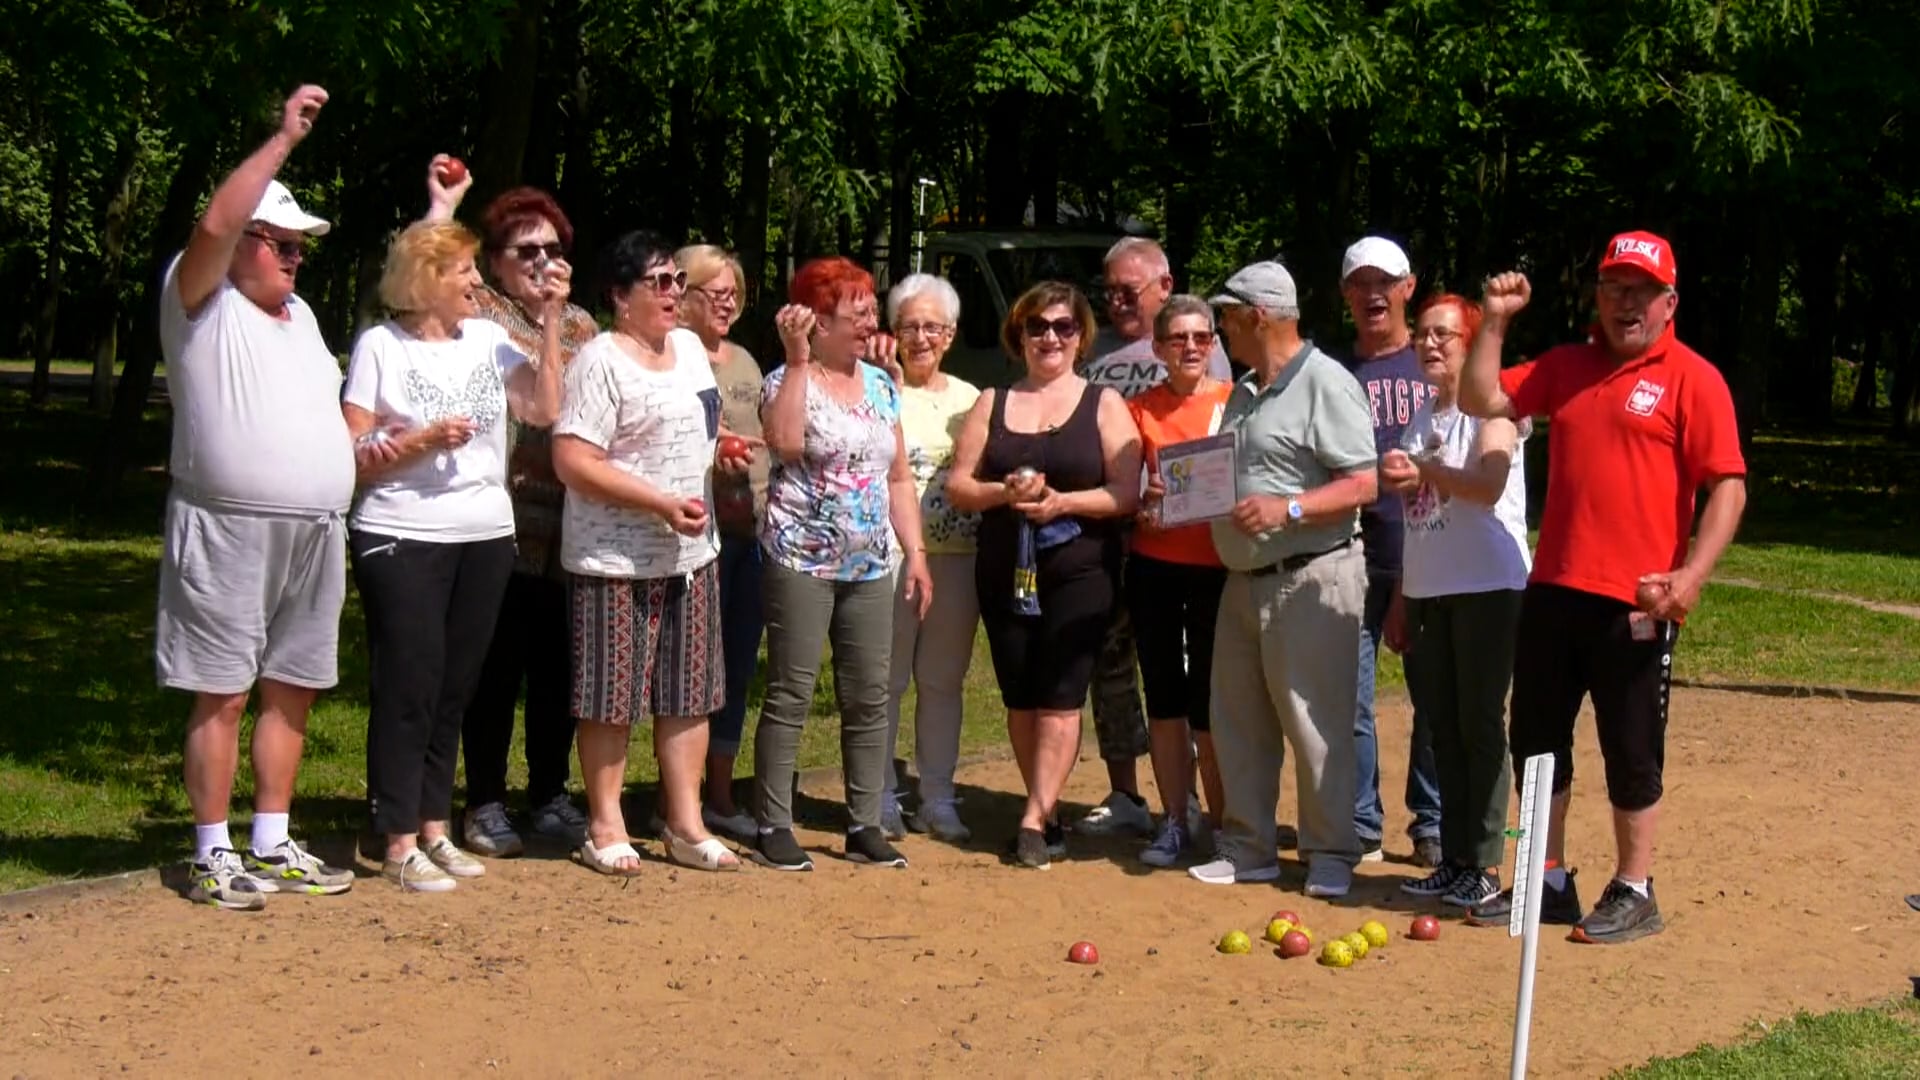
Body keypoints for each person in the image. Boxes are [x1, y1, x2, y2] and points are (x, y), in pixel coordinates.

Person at [1458, 231, 1747, 943]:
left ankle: (1635, 888)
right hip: (1555, 587)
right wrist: (1493, 319)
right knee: (1536, 742)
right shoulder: (1569, 366)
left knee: (1631, 745)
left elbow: (1729, 488)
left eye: (1642, 292)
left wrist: (1691, 576)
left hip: (1639, 600)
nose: (1627, 304)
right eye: (1615, 288)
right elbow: (1479, 398)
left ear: (1669, 302)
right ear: (1598, 296)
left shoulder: (1693, 378)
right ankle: (1543, 880)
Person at [156, 85, 356, 909]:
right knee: (224, 687)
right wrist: (281, 140)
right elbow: (209, 226)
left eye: (302, 247)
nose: (295, 257)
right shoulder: (199, 299)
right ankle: (211, 850)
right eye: (280, 242)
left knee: (293, 686)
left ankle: (271, 839)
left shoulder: (301, 315)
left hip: (316, 529)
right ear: (243, 242)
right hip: (228, 526)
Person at [342, 220, 566, 892]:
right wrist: (419, 442)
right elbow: (352, 453)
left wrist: (552, 322)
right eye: (465, 271)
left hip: (485, 535)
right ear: (426, 281)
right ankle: (398, 838)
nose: (476, 282)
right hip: (402, 533)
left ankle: (436, 827)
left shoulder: (492, 341)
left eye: (473, 270)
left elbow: (545, 406)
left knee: (453, 688)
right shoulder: (381, 346)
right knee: (409, 685)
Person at [550, 231, 741, 875]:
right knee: (611, 696)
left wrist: (724, 450)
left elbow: (690, 432)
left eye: (675, 281)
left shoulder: (688, 349)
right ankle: (605, 825)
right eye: (656, 283)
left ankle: (685, 824)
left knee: (690, 692)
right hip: (616, 559)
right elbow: (573, 459)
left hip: (691, 557)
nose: (671, 294)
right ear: (618, 296)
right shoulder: (599, 360)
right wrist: (657, 502)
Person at [423, 160, 597, 857]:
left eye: (554, 250)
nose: (543, 262)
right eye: (527, 251)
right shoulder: (479, 315)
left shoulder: (583, 325)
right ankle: (485, 800)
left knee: (560, 670)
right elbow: (426, 276)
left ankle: (550, 793)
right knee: (495, 670)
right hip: (502, 524)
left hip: (572, 531)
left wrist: (555, 318)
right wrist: (445, 207)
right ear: (495, 263)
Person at [1188, 261, 1375, 898]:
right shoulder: (1243, 391)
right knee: (1239, 719)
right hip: (1243, 579)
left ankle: (1328, 854)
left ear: (1257, 316)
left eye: (1226, 320)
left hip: (1311, 577)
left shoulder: (1326, 383)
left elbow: (1365, 481)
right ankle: (1248, 848)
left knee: (1316, 723)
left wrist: (1288, 507)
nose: (1219, 333)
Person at [948, 282, 1142, 870]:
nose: (1049, 337)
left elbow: (1125, 493)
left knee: (1062, 695)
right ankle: (1049, 809)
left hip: (1079, 569)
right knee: (1022, 696)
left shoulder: (1104, 404)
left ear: (1080, 335)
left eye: (1062, 326)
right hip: (1005, 566)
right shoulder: (993, 402)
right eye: (1037, 327)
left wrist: (1063, 504)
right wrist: (1002, 491)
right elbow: (959, 484)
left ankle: (1033, 817)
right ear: (1020, 335)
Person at [752, 256, 934, 871]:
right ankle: (773, 821)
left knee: (869, 696)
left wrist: (916, 553)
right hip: (801, 557)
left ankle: (864, 821)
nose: (869, 323)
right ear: (816, 322)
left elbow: (899, 476)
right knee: (792, 691)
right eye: (854, 314)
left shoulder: (883, 385)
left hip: (871, 561)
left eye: (868, 311)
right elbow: (784, 444)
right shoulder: (786, 379)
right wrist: (800, 359)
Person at [1072, 237, 1234, 838]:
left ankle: (1217, 816)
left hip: (1208, 557)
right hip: (1128, 548)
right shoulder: (1097, 359)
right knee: (1125, 675)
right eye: (1108, 289)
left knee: (1206, 693)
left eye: (1128, 289)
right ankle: (1139, 800)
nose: (1115, 300)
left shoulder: (1220, 382)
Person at [1379, 295, 1530, 909]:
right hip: (1429, 592)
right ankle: (1456, 858)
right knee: (1441, 727)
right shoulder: (1420, 420)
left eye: (1445, 335)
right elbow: (1417, 522)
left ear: (1471, 344)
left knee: (1479, 726)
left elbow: (1488, 486)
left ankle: (1486, 865)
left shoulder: (1493, 410)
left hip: (1488, 587)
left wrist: (1427, 473)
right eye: (1422, 335)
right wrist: (1399, 598)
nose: (1430, 344)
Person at [1337, 236, 1443, 868]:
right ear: (1347, 293)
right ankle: (1360, 823)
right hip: (1352, 552)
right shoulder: (1332, 372)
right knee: (1349, 698)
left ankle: (1429, 821)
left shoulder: (1431, 368)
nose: (1373, 293)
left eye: (1386, 282)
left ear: (1408, 288)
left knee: (1431, 696)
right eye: (1360, 283)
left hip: (1426, 550)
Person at [1124, 295, 1232, 868]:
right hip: (1156, 568)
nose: (1190, 347)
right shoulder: (1138, 409)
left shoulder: (1236, 404)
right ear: (1159, 347)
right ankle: (1174, 817)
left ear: (1213, 344)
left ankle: (1223, 827)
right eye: (1178, 339)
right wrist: (1144, 503)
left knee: (1213, 707)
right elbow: (1126, 490)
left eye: (1201, 337)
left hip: (1220, 571)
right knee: (1164, 699)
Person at [881, 273, 982, 843]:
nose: (921, 337)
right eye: (909, 326)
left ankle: (938, 797)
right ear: (893, 333)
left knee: (943, 680)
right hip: (892, 557)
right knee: (887, 680)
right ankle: (879, 796)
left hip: (958, 557)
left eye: (932, 327)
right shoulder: (877, 387)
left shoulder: (971, 400)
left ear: (951, 333)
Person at [677, 243, 767, 843]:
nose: (728, 303)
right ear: (681, 294)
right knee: (689, 673)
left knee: (735, 667)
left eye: (734, 292)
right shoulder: (673, 356)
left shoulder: (745, 363)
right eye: (716, 291)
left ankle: (720, 792)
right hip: (695, 536)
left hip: (750, 535)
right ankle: (674, 798)